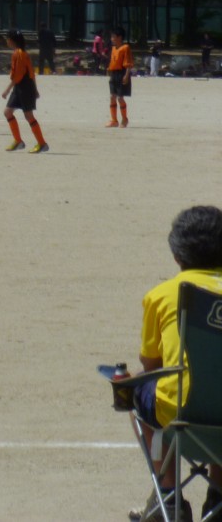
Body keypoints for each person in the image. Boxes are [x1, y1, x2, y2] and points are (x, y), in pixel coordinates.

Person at [130, 206, 222, 522]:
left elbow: (150, 362)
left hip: (179, 414)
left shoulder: (162, 295)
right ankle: (218, 497)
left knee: (138, 385)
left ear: (177, 256)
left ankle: (169, 498)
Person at [2, 29, 48, 153]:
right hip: (20, 87)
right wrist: (36, 89)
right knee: (8, 112)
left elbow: (19, 75)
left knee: (28, 116)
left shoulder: (20, 54)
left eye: (7, 38)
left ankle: (42, 143)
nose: (6, 41)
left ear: (12, 40)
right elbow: (32, 73)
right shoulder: (19, 53)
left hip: (25, 88)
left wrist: (7, 90)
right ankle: (18, 141)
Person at [106, 26, 133, 128]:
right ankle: (114, 120)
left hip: (122, 73)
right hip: (114, 74)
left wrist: (126, 75)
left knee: (120, 98)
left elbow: (128, 63)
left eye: (113, 37)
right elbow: (113, 61)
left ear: (119, 37)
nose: (111, 39)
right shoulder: (113, 48)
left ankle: (124, 119)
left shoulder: (125, 48)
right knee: (112, 96)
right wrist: (109, 70)